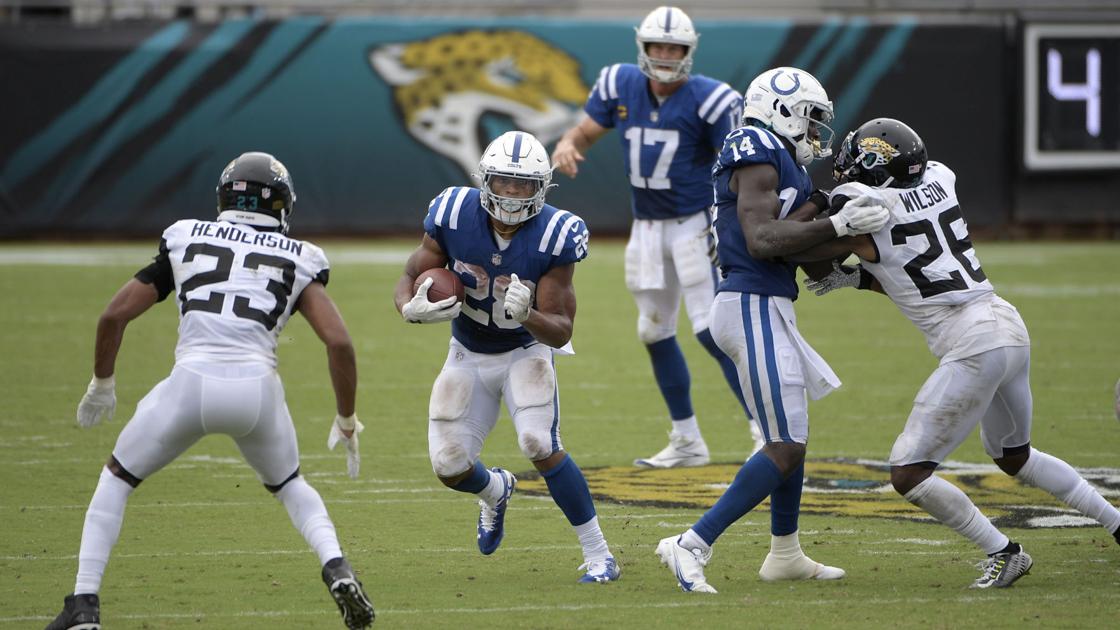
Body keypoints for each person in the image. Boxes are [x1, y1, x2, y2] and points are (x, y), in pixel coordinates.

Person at [45, 152, 375, 630]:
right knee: (290, 486)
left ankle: (84, 604)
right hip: (257, 393)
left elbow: (114, 314)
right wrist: (345, 419)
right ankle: (336, 566)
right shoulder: (298, 255)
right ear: (282, 205)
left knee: (116, 479)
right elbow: (339, 342)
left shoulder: (187, 236)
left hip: (189, 384)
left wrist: (103, 382)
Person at [790, 117, 1120, 588]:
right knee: (1015, 456)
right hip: (1006, 324)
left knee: (908, 472)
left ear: (873, 166)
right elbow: (915, 273)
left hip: (973, 343)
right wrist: (859, 278)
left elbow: (807, 248)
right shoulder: (941, 178)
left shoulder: (861, 202)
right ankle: (1116, 522)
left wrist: (821, 206)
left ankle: (1004, 552)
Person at [655, 67, 892, 594]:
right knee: (784, 443)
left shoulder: (792, 169)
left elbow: (807, 257)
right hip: (749, 302)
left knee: (792, 439)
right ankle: (691, 543)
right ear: (781, 108)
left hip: (769, 304)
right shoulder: (753, 142)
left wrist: (845, 228)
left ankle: (785, 554)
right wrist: (839, 224)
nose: (815, 130)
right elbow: (762, 239)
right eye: (811, 118)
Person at [393, 130, 619, 583]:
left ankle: (600, 555)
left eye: (523, 185)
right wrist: (408, 308)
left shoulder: (556, 234)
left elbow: (561, 329)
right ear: (485, 180)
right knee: (449, 466)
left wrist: (528, 315)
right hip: (467, 350)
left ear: (542, 188)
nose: (512, 194)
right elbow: (410, 275)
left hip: (524, 350)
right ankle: (496, 490)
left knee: (539, 443)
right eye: (503, 182)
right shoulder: (453, 213)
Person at [552, 6, 765, 468]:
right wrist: (568, 143)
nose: (666, 55)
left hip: (696, 223)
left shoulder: (712, 99)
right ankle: (687, 440)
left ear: (689, 51)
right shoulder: (619, 83)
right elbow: (585, 132)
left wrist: (729, 223)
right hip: (647, 227)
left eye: (675, 48)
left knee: (714, 332)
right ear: (643, 47)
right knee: (653, 330)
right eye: (659, 46)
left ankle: (765, 432)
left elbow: (740, 165)